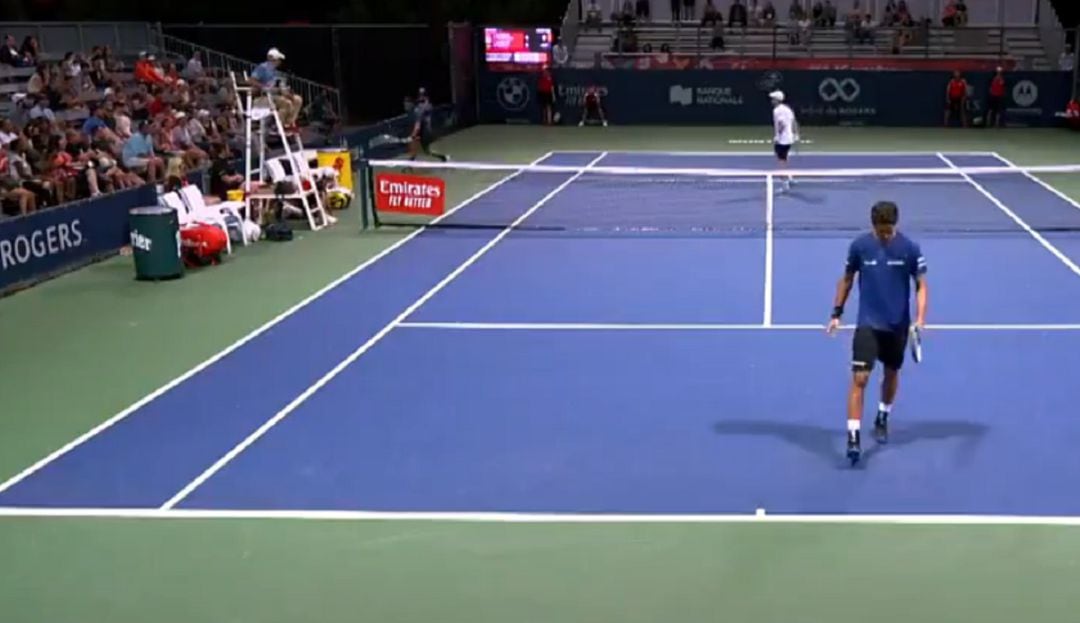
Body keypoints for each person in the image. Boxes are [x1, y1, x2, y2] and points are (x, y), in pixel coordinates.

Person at [827, 201, 928, 465]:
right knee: (859, 378)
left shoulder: (910, 249)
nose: (885, 235)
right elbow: (847, 279)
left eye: (889, 231)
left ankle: (883, 414)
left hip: (898, 325)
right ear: (873, 226)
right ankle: (853, 437)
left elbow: (920, 285)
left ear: (895, 225)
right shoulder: (859, 247)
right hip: (868, 324)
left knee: (891, 373)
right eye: (881, 231)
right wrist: (836, 313)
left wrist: (920, 318)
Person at [407, 88, 449, 162]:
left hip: (423, 133)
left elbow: (418, 125)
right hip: (427, 132)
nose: (421, 97)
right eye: (420, 95)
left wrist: (412, 136)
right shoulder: (429, 105)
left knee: (415, 148)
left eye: (422, 95)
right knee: (425, 151)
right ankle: (443, 157)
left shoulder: (419, 109)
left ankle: (409, 164)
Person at [769, 90, 797, 192]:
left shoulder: (777, 111)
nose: (771, 100)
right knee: (784, 159)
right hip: (789, 139)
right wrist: (795, 134)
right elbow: (793, 121)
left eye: (773, 99)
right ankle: (790, 178)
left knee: (781, 162)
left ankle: (785, 184)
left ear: (777, 100)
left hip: (782, 140)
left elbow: (781, 124)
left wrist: (777, 136)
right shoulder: (787, 109)